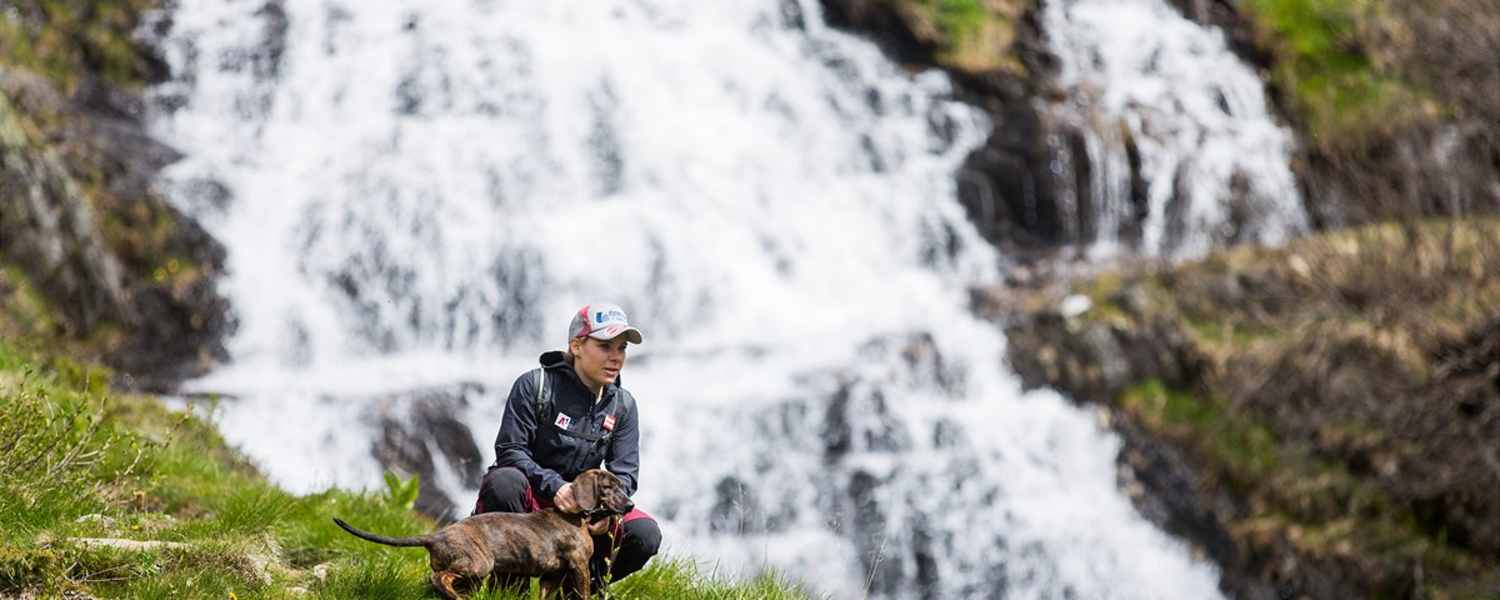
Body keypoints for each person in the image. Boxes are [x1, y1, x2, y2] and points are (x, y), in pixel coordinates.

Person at [474, 302, 661, 588]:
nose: (616, 357)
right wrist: (556, 487)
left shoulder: (623, 405)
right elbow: (511, 451)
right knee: (504, 482)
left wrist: (603, 512)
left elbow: (625, 476)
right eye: (605, 346)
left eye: (622, 348)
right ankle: (510, 590)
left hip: (585, 506)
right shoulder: (534, 385)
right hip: (532, 497)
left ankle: (572, 591)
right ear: (576, 346)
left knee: (645, 534)